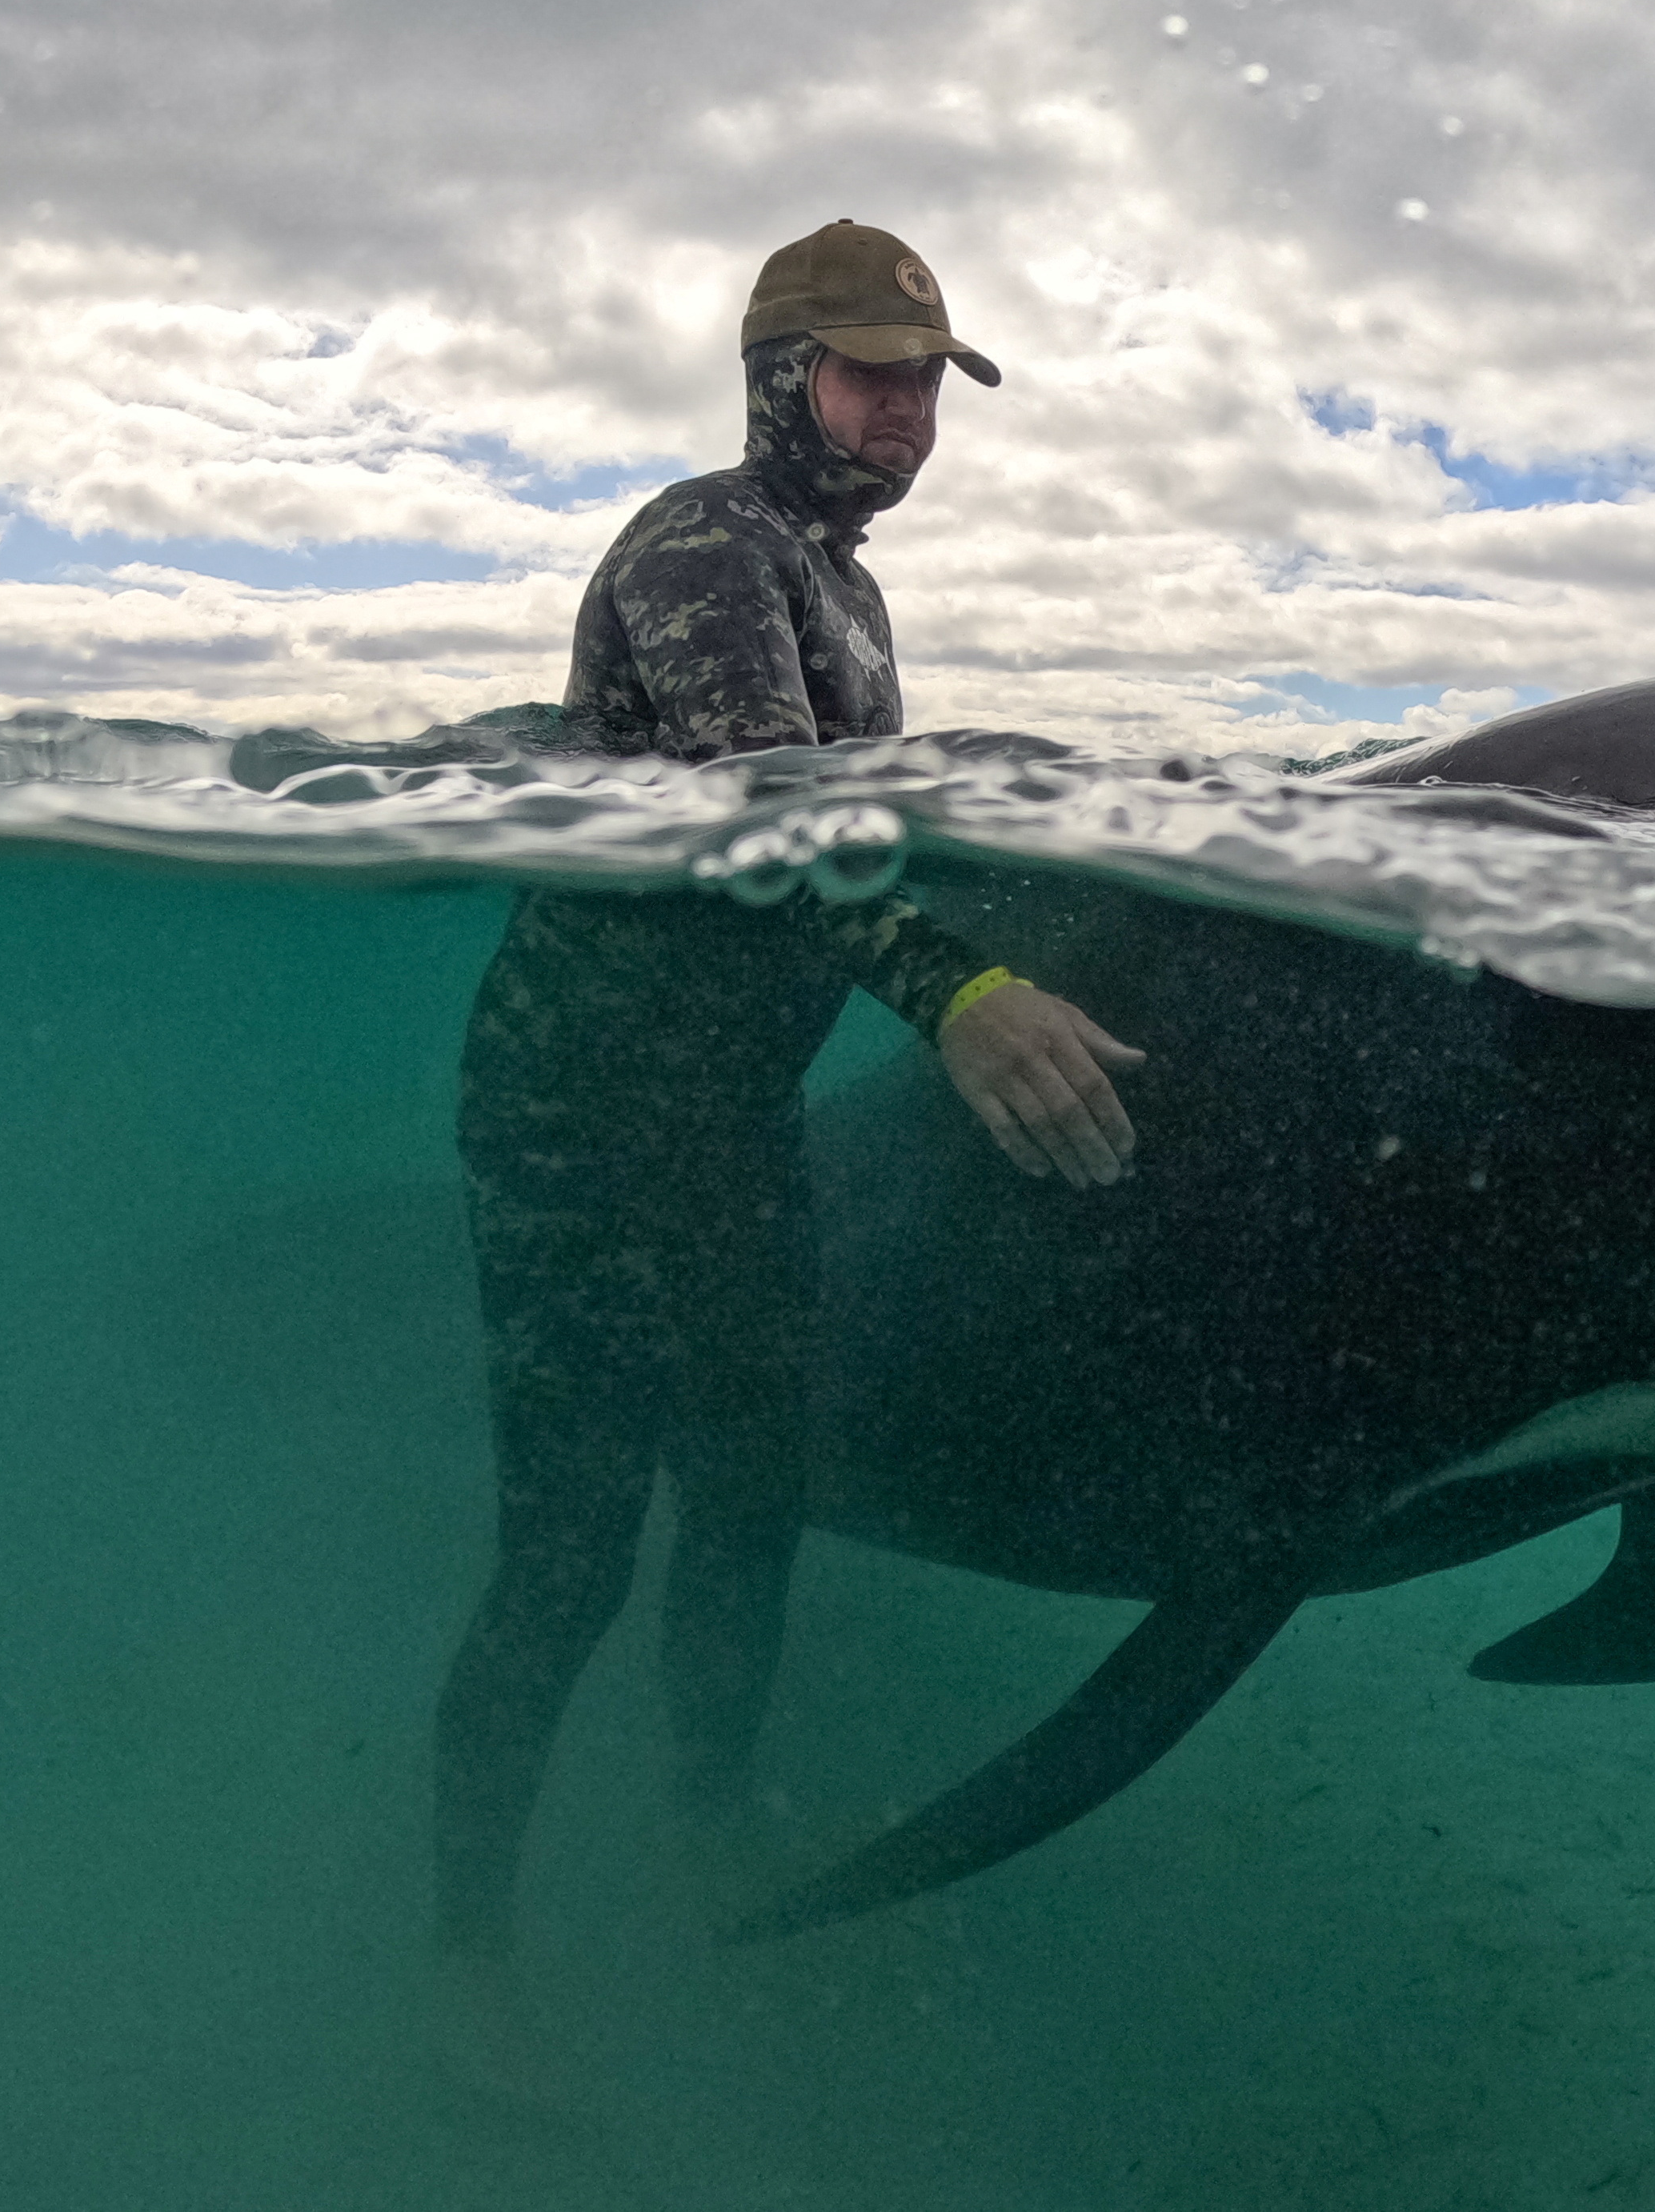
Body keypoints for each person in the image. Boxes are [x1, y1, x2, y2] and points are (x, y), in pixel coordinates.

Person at [431, 220, 1144, 2098]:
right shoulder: (704, 549)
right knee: (569, 1559)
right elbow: (768, 823)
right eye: (868, 376)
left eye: (926, 382)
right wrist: (957, 989)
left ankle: (710, 1834)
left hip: (730, 1126)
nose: (906, 415)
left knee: (750, 1501)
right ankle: (469, 1957)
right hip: (581, 1126)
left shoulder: (844, 590)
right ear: (777, 380)